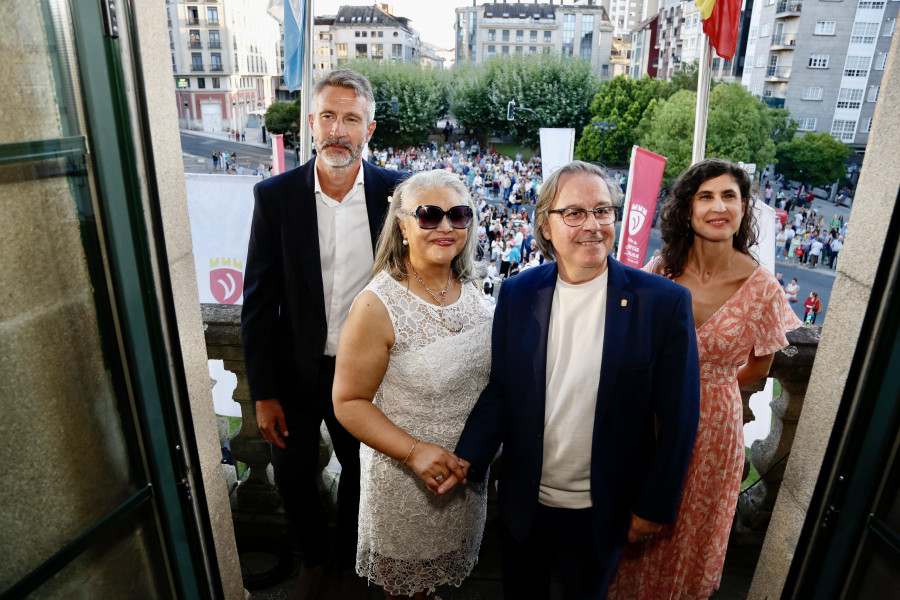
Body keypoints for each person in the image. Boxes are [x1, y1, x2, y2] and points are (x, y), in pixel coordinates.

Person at [448, 160, 701, 599]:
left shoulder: (661, 303)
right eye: (575, 213)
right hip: (526, 503)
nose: (593, 225)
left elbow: (679, 417)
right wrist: (467, 457)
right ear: (546, 226)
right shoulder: (518, 293)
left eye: (603, 211)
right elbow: (503, 390)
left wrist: (653, 504)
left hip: (605, 508)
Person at [241, 69, 406, 600]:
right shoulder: (275, 198)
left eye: (351, 119)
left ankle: (353, 564)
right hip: (293, 372)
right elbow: (259, 303)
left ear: (370, 128)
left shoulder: (396, 197)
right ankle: (314, 559)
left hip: (366, 372)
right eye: (328, 117)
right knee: (291, 475)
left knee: (364, 476)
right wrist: (263, 392)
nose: (339, 129)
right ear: (310, 123)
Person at [609, 158, 802, 600]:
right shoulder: (662, 268)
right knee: (637, 527)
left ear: (744, 207)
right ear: (688, 209)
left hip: (715, 429)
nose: (718, 206)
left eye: (729, 196)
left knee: (689, 534)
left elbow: (759, 368)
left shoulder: (765, 288)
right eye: (706, 196)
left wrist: (704, 388)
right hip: (650, 418)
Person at [333, 169, 491, 599]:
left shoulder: (475, 288)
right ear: (402, 224)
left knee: (441, 583)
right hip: (405, 479)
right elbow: (348, 401)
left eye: (458, 215)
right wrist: (415, 452)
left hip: (463, 476)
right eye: (428, 215)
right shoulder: (376, 305)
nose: (445, 226)